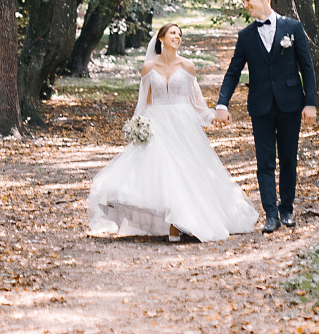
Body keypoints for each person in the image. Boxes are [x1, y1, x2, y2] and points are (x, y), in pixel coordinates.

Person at [87, 22, 258, 243]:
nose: (177, 36)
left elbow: (196, 103)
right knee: (165, 171)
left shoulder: (187, 66)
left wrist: (213, 116)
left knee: (185, 170)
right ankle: (173, 222)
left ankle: (180, 224)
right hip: (157, 122)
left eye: (179, 34)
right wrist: (138, 126)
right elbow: (144, 101)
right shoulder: (149, 67)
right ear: (161, 38)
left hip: (183, 123)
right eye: (172, 33)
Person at [212, 0, 317, 234]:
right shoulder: (246, 36)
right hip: (261, 107)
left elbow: (307, 67)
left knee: (289, 159)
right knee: (264, 162)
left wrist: (310, 103)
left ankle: (287, 210)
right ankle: (271, 214)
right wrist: (221, 103)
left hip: (291, 104)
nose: (246, 6)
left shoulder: (293, 27)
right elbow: (233, 72)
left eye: (248, 0)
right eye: (244, 2)